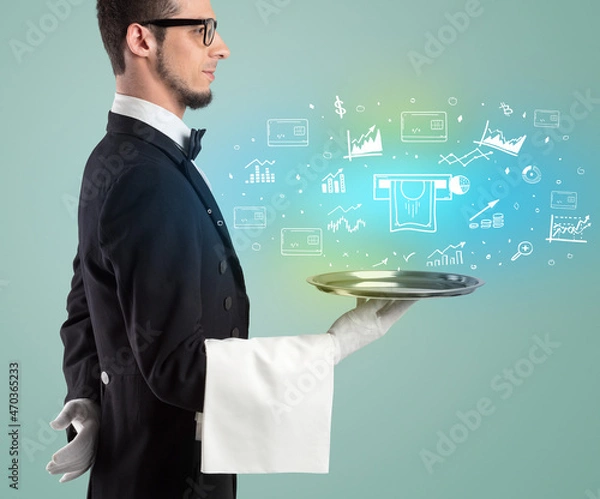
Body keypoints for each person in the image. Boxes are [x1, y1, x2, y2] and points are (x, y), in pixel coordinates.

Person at [46, 1, 416, 498]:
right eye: (202, 31)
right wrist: (338, 345)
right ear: (141, 40)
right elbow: (178, 368)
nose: (220, 47)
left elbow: (87, 304)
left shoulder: (115, 155)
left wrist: (89, 399)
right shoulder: (144, 177)